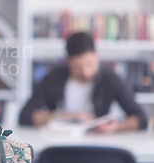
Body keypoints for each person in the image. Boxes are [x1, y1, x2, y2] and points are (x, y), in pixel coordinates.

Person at [19, 31, 148, 133]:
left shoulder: (111, 79)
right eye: (77, 67)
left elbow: (141, 118)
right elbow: (25, 116)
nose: (85, 72)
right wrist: (66, 116)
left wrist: (115, 128)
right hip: (59, 144)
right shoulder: (53, 78)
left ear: (97, 55)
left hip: (98, 144)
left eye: (89, 64)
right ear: (67, 61)